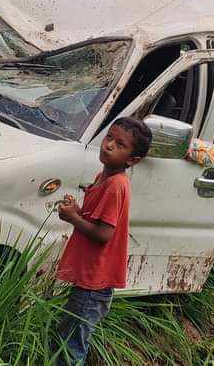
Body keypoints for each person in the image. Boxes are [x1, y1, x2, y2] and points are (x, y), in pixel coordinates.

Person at [55, 116, 151, 365]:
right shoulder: (103, 176)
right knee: (67, 335)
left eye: (120, 145)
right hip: (90, 279)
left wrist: (72, 219)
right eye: (109, 137)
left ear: (132, 160)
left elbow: (103, 234)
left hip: (94, 284)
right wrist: (78, 211)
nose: (108, 145)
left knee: (72, 345)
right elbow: (97, 220)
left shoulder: (116, 185)